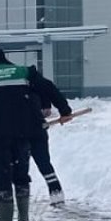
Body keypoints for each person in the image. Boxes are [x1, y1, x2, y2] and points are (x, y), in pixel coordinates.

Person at [0, 47, 65, 221]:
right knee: (21, 173)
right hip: (25, 132)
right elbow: (48, 87)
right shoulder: (24, 72)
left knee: (1, 176)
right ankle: (24, 220)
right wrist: (64, 109)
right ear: (5, 59)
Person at [27, 64, 74, 206]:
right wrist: (65, 112)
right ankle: (56, 193)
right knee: (43, 162)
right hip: (37, 127)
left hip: (19, 130)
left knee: (13, 164)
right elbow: (56, 96)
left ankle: (3, 196)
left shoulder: (21, 85)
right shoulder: (43, 82)